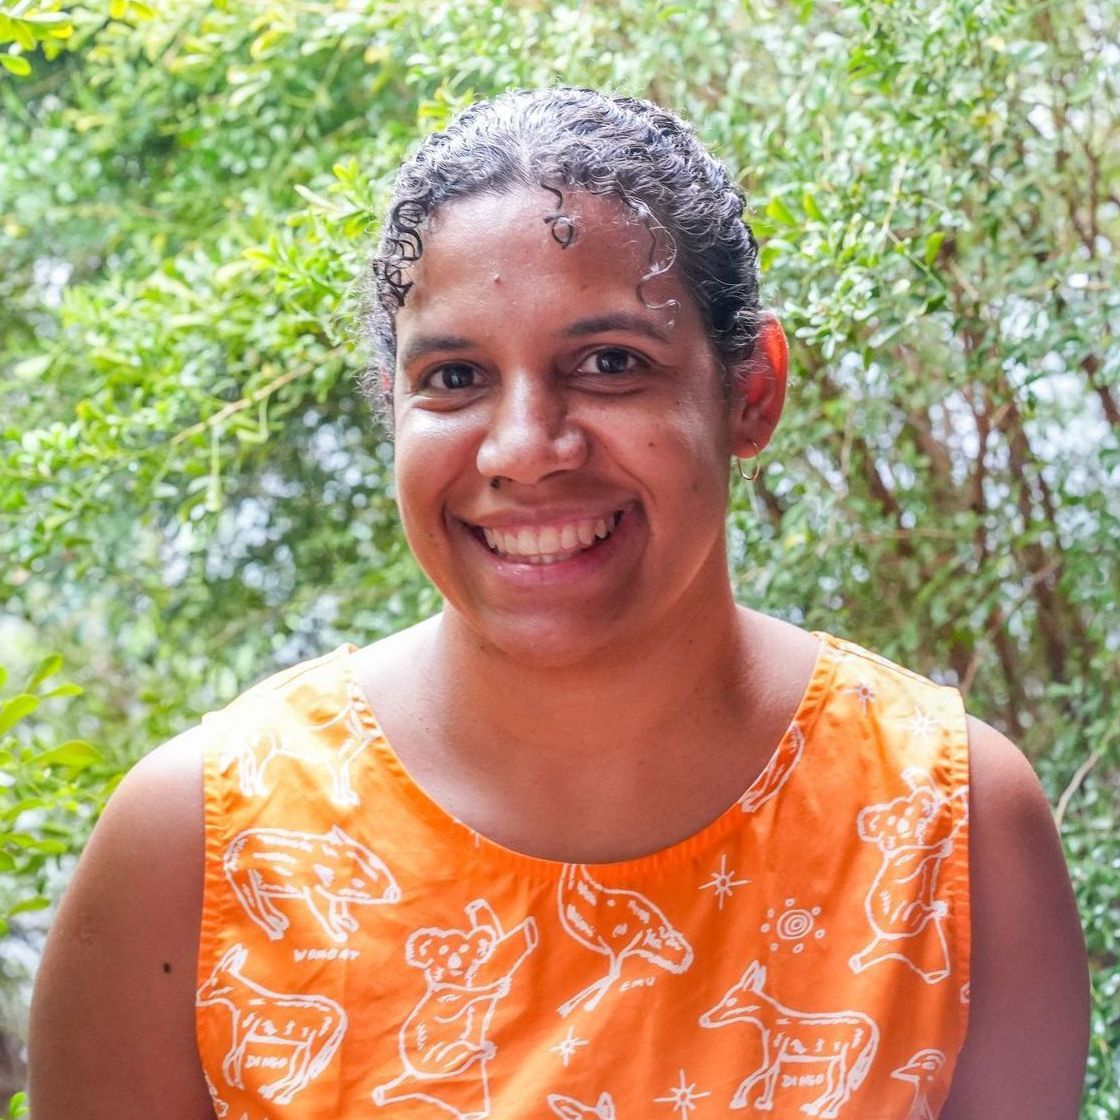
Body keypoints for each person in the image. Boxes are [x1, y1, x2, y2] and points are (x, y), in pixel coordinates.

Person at [29, 87, 1088, 1120]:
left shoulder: (947, 827)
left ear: (749, 391)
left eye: (610, 363)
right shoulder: (200, 846)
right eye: (453, 378)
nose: (526, 448)